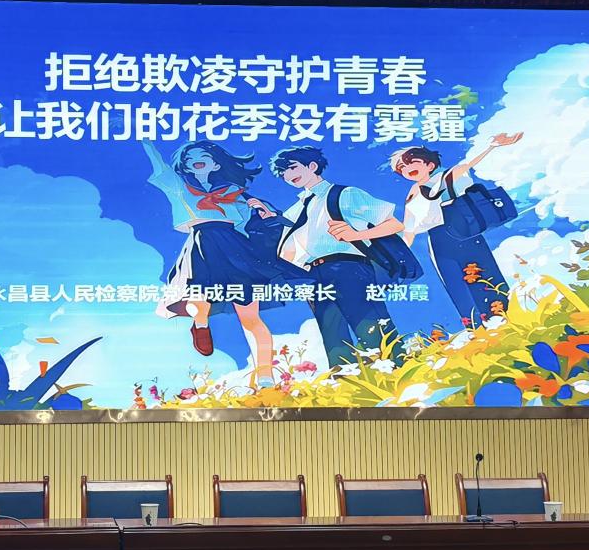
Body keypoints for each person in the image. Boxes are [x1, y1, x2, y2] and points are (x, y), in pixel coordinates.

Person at [142, 140, 308, 388]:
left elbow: (259, 227)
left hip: (234, 249)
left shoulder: (236, 195)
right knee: (198, 299)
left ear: (216, 164)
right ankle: (200, 324)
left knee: (250, 318)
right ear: (185, 167)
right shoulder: (180, 188)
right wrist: (145, 138)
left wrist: (266, 215)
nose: (195, 160)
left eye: (202, 156)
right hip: (201, 245)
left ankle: (265, 377)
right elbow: (161, 167)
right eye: (189, 159)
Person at [255, 147, 404, 367]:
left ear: (312, 166)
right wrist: (271, 222)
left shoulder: (345, 194)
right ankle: (344, 380)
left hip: (348, 266)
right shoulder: (293, 211)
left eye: (292, 167)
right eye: (283, 172)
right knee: (332, 334)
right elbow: (286, 251)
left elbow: (394, 224)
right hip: (313, 274)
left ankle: (398, 368)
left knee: (369, 323)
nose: (288, 175)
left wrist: (357, 235)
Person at [390, 132, 522, 325]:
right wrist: (400, 256)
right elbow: (409, 230)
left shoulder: (445, 177)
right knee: (457, 287)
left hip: (465, 232)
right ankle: (477, 330)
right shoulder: (412, 194)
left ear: (429, 165)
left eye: (412, 162)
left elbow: (467, 165)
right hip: (437, 241)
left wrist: (492, 146)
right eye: (402, 167)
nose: (407, 169)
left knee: (487, 276)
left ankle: (509, 321)